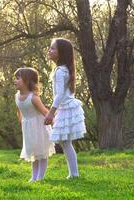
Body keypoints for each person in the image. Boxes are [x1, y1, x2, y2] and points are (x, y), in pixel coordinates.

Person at [44, 38, 87, 179]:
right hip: (66, 107)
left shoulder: (60, 71)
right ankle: (73, 173)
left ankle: (74, 174)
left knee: (65, 143)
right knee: (65, 143)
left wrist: (51, 112)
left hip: (66, 108)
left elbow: (60, 94)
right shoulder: (62, 69)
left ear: (61, 53)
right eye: (50, 48)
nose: (49, 50)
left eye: (53, 48)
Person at [14, 67, 56, 182]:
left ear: (27, 81)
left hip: (39, 126)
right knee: (33, 152)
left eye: (18, 78)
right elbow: (19, 112)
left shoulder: (33, 98)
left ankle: (40, 177)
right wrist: (22, 123)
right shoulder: (16, 96)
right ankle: (34, 176)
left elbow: (45, 112)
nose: (15, 81)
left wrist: (55, 122)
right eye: (15, 78)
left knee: (41, 152)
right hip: (28, 127)